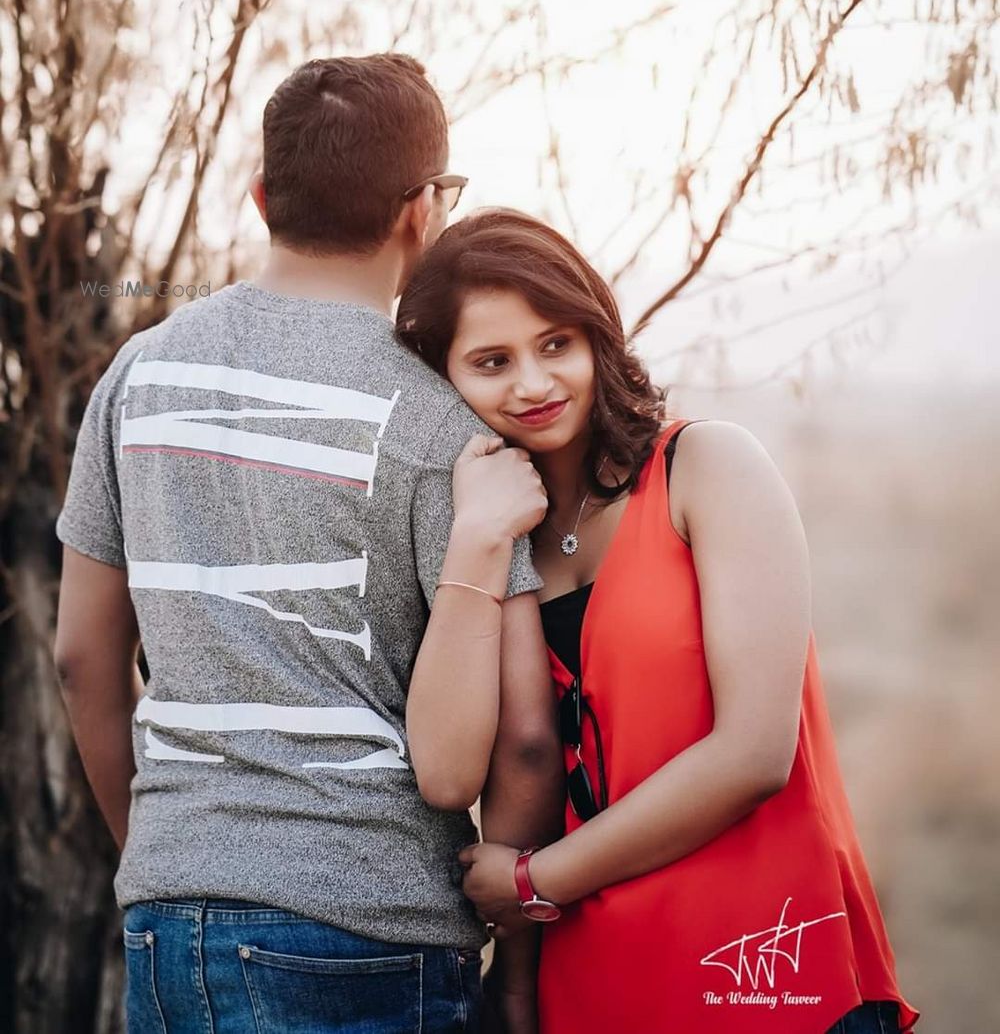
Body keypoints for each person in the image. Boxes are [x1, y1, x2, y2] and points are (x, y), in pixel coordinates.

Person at [54, 56, 562, 1034]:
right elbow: (527, 739)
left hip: (167, 927)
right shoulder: (442, 424)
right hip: (368, 936)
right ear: (421, 211)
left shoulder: (136, 377)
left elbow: (83, 659)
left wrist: (166, 854)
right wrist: (522, 968)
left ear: (259, 198)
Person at [396, 208, 919, 1034]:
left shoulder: (706, 468)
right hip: (598, 991)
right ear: (443, 379)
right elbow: (512, 766)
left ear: (599, 338)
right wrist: (520, 985)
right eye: (492, 362)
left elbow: (754, 754)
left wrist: (535, 881)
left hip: (769, 971)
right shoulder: (488, 537)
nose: (533, 383)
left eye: (557, 344)